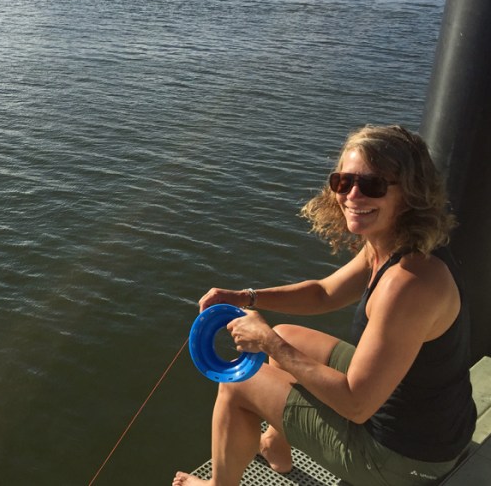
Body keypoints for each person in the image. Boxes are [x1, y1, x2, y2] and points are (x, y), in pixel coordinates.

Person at [173, 125, 476, 486]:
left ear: (409, 193)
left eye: (373, 185)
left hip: (406, 460)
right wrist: (247, 298)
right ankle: (276, 448)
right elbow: (324, 293)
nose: (352, 195)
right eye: (343, 182)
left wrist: (268, 341)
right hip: (433, 425)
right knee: (290, 336)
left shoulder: (407, 284)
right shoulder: (394, 244)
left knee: (239, 384)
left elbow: (356, 405)